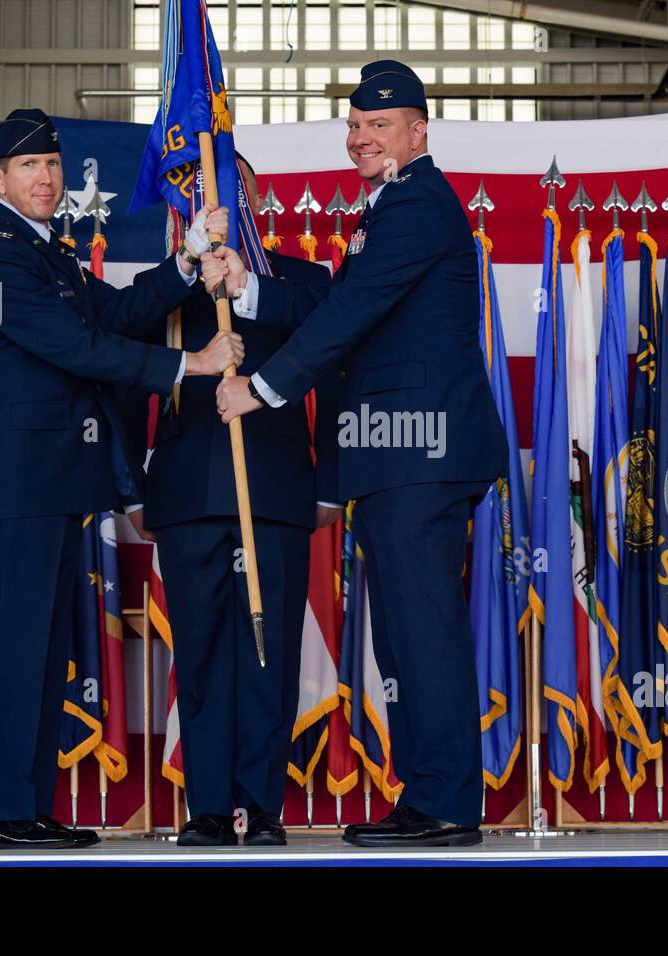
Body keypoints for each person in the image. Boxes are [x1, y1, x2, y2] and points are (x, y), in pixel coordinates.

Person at [206, 60, 507, 847]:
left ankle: (444, 803)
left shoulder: (417, 206)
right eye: (354, 126)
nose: (361, 138)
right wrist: (250, 289)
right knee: (401, 634)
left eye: (379, 126)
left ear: (418, 132)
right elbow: (344, 300)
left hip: (422, 453)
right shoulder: (389, 209)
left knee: (423, 628)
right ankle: (427, 797)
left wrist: (263, 389)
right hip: (392, 457)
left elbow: (349, 316)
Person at [0, 108, 244, 850]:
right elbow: (77, 347)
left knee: (41, 653)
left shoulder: (47, 251)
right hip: (18, 484)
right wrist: (191, 365)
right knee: (7, 651)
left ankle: (22, 804)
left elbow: (116, 313)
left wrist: (185, 266)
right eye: (27, 167)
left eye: (50, 164)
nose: (45, 177)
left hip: (51, 482)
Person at [124, 153, 338, 847]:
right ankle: (210, 807)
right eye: (199, 195)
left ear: (250, 200)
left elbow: (331, 348)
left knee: (268, 655)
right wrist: (130, 487)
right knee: (205, 655)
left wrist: (329, 486)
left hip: (272, 491)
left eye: (227, 191)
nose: (214, 204)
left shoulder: (298, 280)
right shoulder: (162, 288)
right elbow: (124, 375)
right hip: (185, 497)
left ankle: (262, 803)